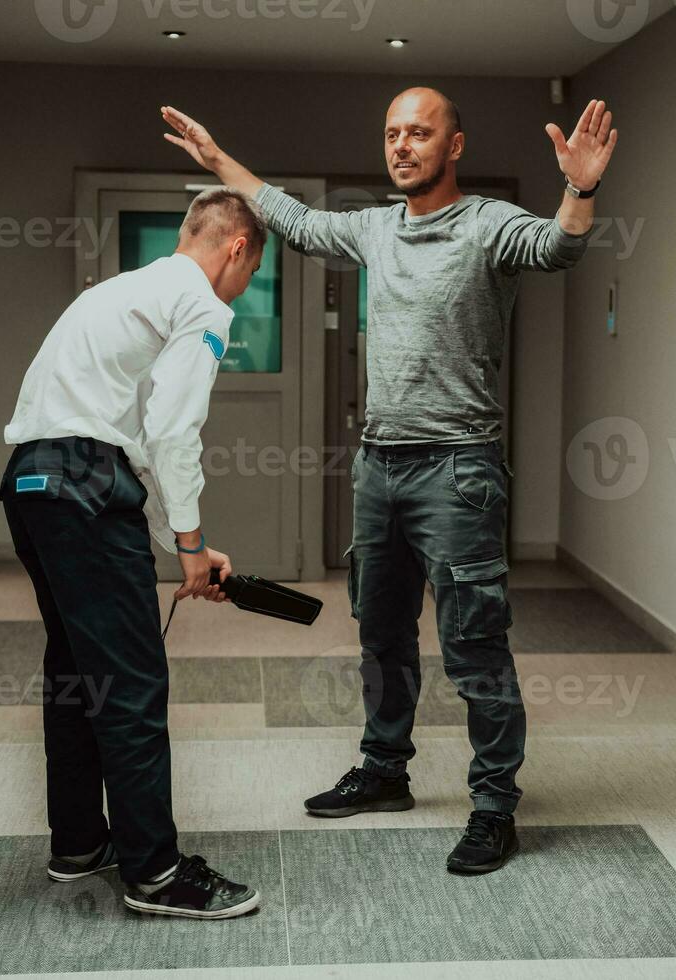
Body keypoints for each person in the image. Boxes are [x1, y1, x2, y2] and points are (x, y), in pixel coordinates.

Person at [161, 88, 618, 874]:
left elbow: (560, 250)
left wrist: (579, 188)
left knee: (474, 645)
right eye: (392, 133)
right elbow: (295, 221)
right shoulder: (376, 227)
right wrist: (218, 162)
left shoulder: (488, 226)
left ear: (456, 145)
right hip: (380, 464)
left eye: (419, 133)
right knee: (380, 633)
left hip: (459, 466)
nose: (402, 145)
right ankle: (384, 771)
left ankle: (494, 806)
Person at [0, 188, 264, 918]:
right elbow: (174, 432)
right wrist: (191, 545)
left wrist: (183, 544)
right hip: (81, 485)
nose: (242, 290)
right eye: (249, 271)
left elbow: (124, 444)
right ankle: (155, 874)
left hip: (32, 479)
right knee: (132, 682)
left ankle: (80, 841)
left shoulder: (122, 292)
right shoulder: (203, 306)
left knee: (77, 669)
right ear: (237, 247)